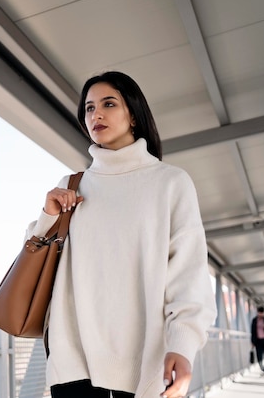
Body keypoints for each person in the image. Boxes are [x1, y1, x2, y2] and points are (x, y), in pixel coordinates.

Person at [26, 71, 217, 398]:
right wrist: (48, 216)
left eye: (108, 104)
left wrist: (183, 345)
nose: (95, 114)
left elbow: (189, 273)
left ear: (133, 116)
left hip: (143, 360)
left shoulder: (169, 183)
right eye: (88, 108)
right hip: (73, 358)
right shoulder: (71, 186)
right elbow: (37, 260)